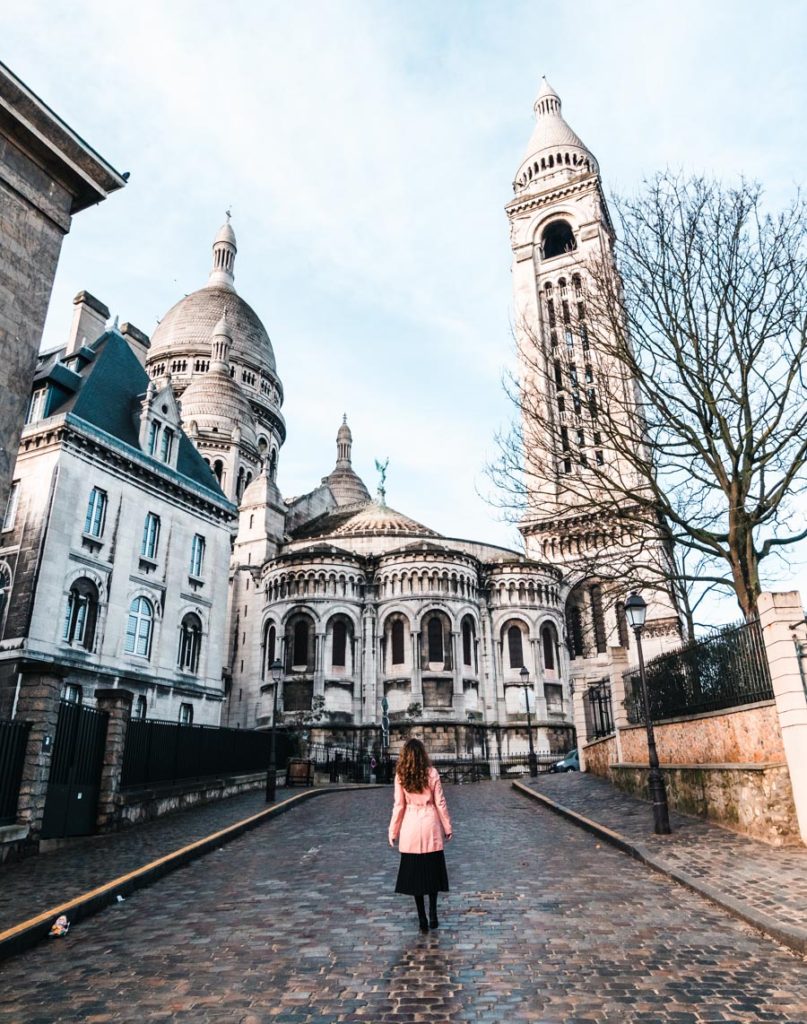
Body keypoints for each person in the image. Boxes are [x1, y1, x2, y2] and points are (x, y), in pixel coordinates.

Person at [388, 737, 452, 933]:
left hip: (411, 827)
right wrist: (447, 826)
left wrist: (393, 830)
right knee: (432, 873)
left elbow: (399, 806)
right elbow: (440, 803)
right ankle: (433, 912)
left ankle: (422, 917)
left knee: (416, 878)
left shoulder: (401, 775)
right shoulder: (432, 773)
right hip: (430, 824)